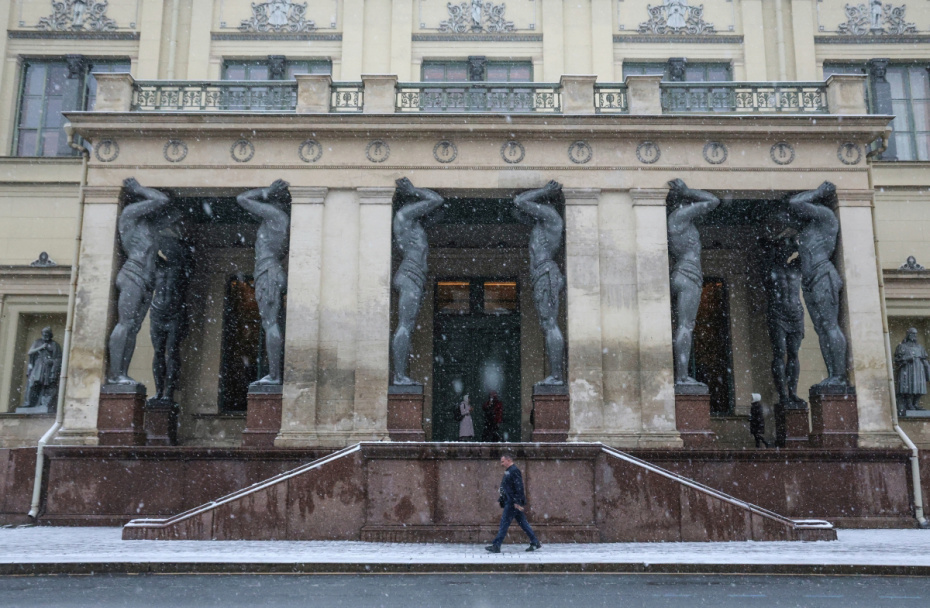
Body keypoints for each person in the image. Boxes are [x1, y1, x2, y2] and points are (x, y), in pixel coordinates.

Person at [107, 178, 181, 385]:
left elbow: (174, 212)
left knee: (133, 328)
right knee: (125, 323)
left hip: (146, 281)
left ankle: (121, 373)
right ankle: (114, 374)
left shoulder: (149, 226)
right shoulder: (129, 215)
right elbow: (160, 199)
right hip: (133, 275)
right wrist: (140, 188)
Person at [788, 181, 848, 388]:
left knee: (830, 325)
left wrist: (818, 191)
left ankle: (839, 376)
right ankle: (833, 374)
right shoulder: (808, 229)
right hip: (810, 280)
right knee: (821, 329)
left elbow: (795, 202)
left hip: (823, 275)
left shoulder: (825, 217)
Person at [237, 179, 291, 385]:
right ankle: (274, 374)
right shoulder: (277, 219)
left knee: (270, 323)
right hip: (270, 270)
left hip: (268, 271)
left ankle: (275, 375)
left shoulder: (276, 216)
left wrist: (265, 191)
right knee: (271, 323)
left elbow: (242, 198)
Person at [667, 179, 720, 387]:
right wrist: (690, 191)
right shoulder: (679, 217)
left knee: (684, 325)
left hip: (681, 271)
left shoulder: (676, 220)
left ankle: (681, 374)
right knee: (686, 326)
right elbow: (713, 201)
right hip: (689, 273)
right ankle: (681, 376)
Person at [391, 178, 445, 385]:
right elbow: (435, 199)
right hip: (410, 274)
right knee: (405, 325)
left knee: (408, 325)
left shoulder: (413, 225)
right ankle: (399, 376)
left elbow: (434, 211)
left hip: (415, 276)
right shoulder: (404, 216)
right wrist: (414, 190)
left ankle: (400, 375)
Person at [513, 180, 566, 385]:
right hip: (541, 274)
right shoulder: (541, 224)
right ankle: (555, 375)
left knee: (549, 323)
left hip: (546, 273)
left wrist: (542, 190)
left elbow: (520, 201)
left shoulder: (552, 218)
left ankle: (556, 376)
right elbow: (520, 212)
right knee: (547, 324)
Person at [150, 233, 192, 403]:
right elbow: (149, 250)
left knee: (172, 352)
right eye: (166, 248)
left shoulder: (183, 268)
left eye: (171, 248)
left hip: (175, 313)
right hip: (158, 312)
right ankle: (159, 391)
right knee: (158, 352)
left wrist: (183, 245)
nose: (168, 250)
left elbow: (189, 262)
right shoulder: (160, 266)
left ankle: (169, 392)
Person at [486, 451, 541, 553]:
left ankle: (496, 545)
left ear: (508, 460)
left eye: (503, 461)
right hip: (511, 501)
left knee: (504, 523)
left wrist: (516, 501)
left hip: (512, 503)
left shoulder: (514, 470)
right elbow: (507, 487)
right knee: (522, 523)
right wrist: (503, 499)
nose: (501, 464)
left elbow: (518, 487)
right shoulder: (510, 470)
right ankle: (535, 541)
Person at [20, 327, 63, 412]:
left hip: (48, 367)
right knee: (32, 383)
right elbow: (30, 352)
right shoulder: (37, 342)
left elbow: (59, 358)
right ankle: (29, 403)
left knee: (46, 385)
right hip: (38, 366)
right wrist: (41, 347)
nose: (45, 336)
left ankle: (44, 404)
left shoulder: (55, 345)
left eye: (47, 334)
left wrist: (52, 361)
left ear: (50, 335)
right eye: (44, 334)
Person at [894, 328, 930, 415]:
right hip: (907, 369)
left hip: (919, 369)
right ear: (908, 335)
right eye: (912, 334)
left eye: (915, 334)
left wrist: (926, 367)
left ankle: (916, 404)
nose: (914, 336)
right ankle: (909, 404)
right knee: (909, 386)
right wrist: (906, 359)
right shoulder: (902, 347)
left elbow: (924, 358)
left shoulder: (920, 347)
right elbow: (897, 360)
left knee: (919, 386)